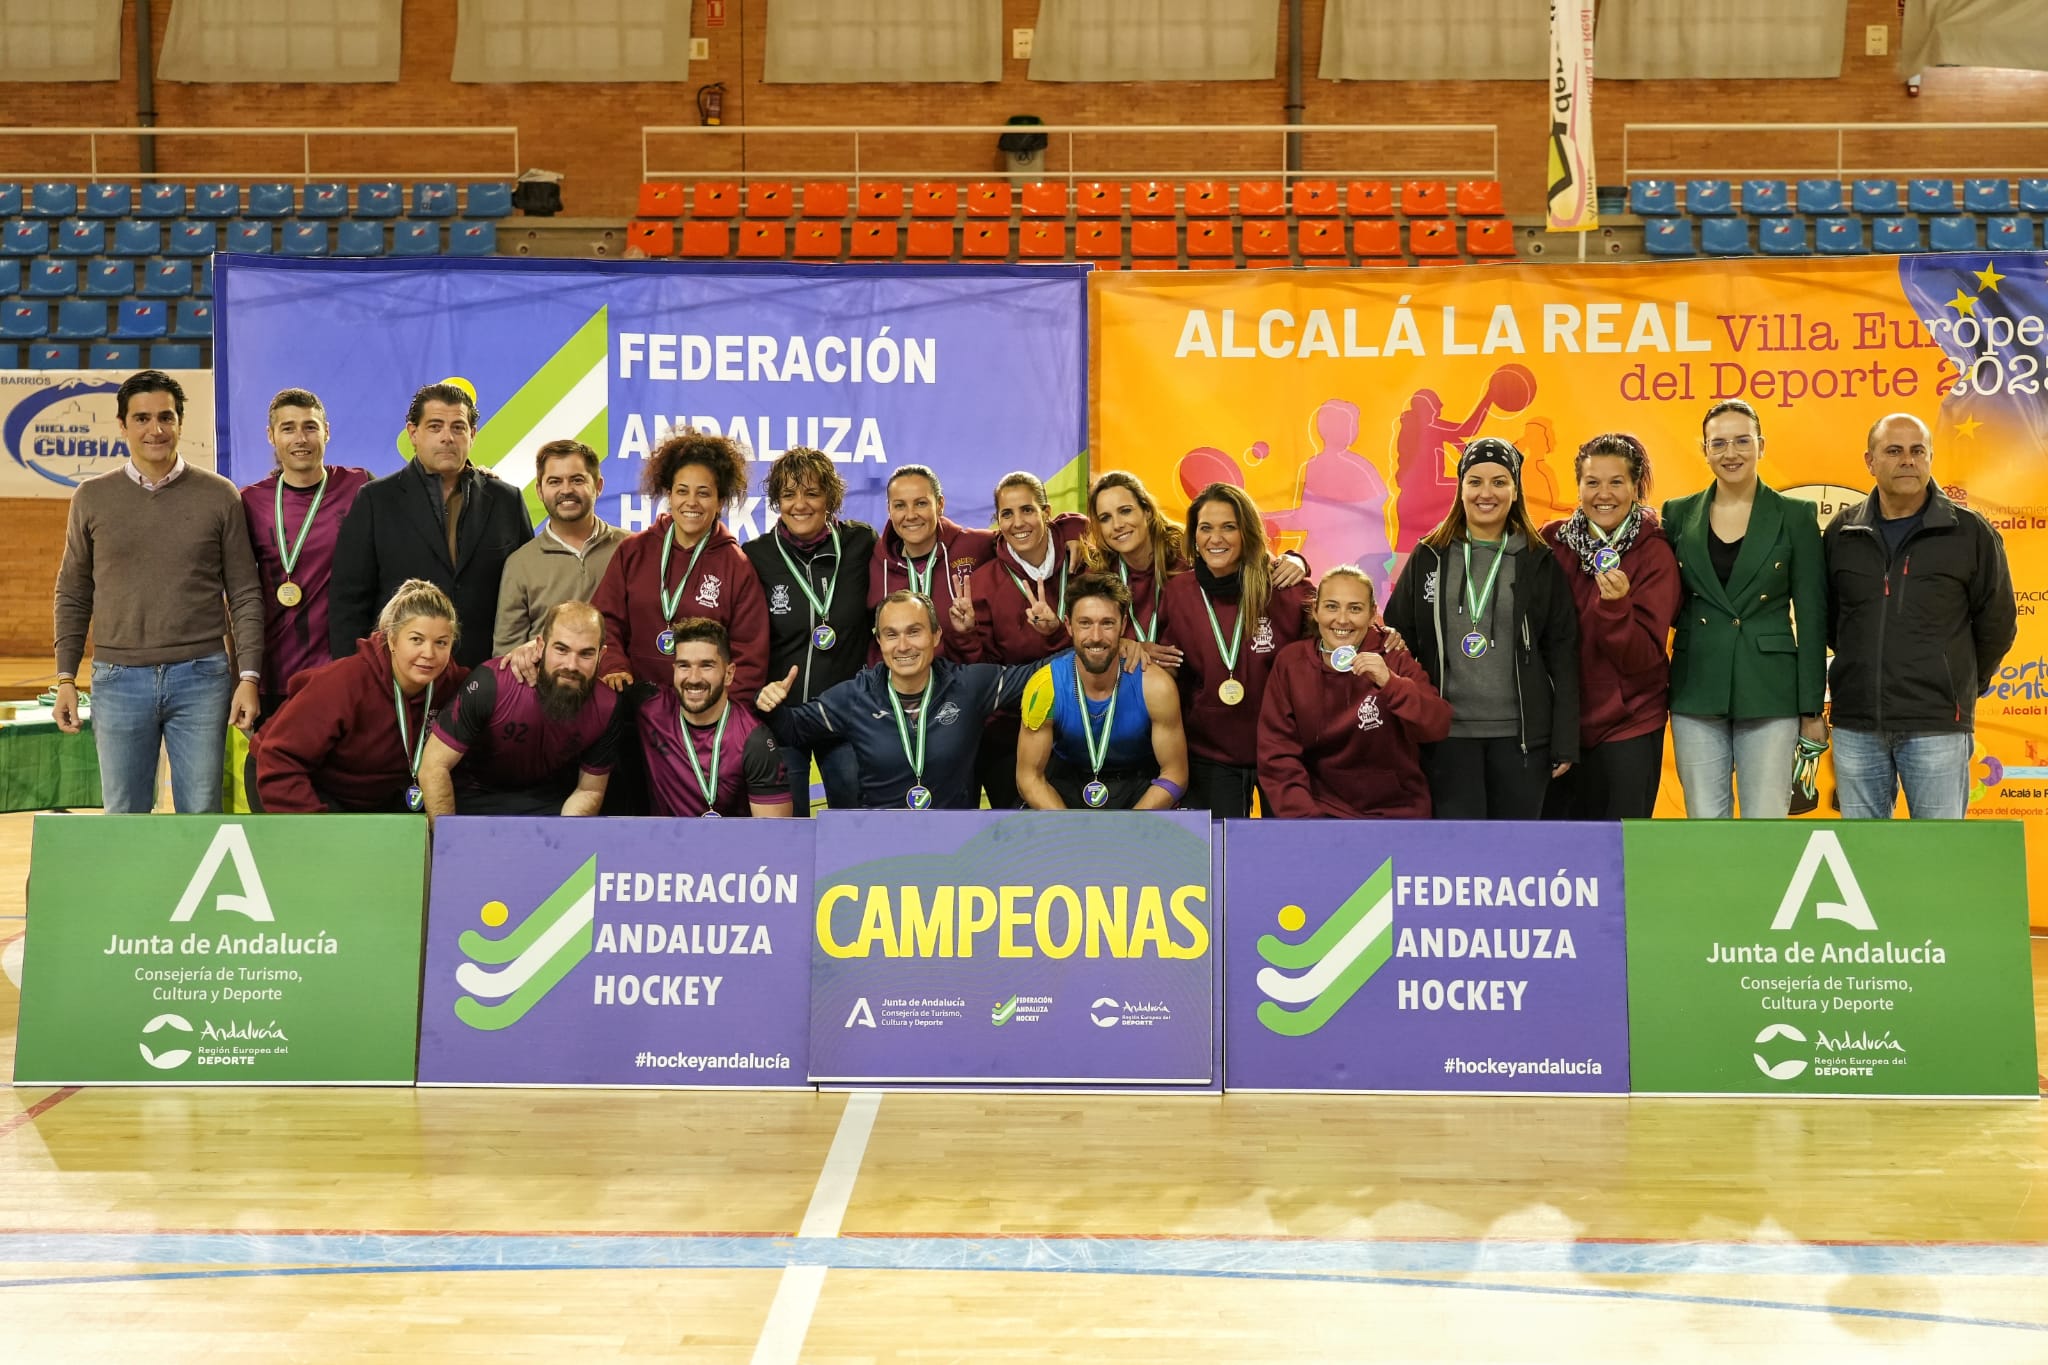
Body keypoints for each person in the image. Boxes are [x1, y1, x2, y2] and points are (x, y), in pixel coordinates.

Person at [53, 369, 265, 813]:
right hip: (116, 679)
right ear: (123, 425)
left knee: (201, 813)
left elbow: (245, 592)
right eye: (143, 418)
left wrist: (248, 676)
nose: (156, 429)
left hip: (203, 678)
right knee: (124, 815)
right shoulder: (91, 497)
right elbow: (73, 592)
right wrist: (66, 678)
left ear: (181, 423)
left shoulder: (220, 495)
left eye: (166, 417)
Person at [1824, 412, 2016, 818]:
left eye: (1917, 451)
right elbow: (1831, 620)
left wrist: (1961, 682)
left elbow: (1997, 622)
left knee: (1940, 859)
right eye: (1893, 451)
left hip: (1937, 724)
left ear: (1930, 458)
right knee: (1861, 858)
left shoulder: (1970, 532)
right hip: (1856, 724)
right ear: (1869, 461)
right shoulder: (1841, 532)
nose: (1907, 460)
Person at [1383, 438, 1578, 820]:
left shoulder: (1539, 562)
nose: (1486, 493)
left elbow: (1563, 652)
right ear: (1460, 488)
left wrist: (1565, 740)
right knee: (1459, 860)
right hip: (1445, 737)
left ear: (1516, 489)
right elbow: (1396, 636)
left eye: (1499, 482)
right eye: (1475, 482)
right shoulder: (1430, 555)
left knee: (1515, 856)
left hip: (1521, 741)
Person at [1661, 400, 1827, 819]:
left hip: (1771, 690)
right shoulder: (1677, 514)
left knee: (1766, 822)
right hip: (1696, 685)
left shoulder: (1796, 515)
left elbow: (1811, 618)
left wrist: (1811, 709)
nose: (1730, 453)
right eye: (1719, 443)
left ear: (1761, 445)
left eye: (1741, 441)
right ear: (1704, 450)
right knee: (1703, 820)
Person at [761, 590, 1040, 810]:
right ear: (879, 642)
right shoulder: (856, 696)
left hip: (956, 846)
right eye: (891, 635)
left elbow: (1042, 675)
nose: (903, 646)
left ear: (936, 635)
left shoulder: (969, 686)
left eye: (914, 632)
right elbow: (792, 729)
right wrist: (770, 705)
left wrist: (1069, 637)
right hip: (882, 847)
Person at [328, 382, 533, 669]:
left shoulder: (506, 501)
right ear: (414, 433)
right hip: (399, 678)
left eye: (458, 428)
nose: (447, 437)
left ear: (472, 434)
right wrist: (352, 675)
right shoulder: (376, 500)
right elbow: (348, 602)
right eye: (435, 427)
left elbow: (529, 593)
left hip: (488, 674)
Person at [1541, 433, 1682, 819]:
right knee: (1560, 858)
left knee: (1620, 853)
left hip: (1629, 724)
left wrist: (1617, 608)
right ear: (1579, 487)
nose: (1604, 494)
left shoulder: (1655, 553)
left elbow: (1643, 659)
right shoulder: (1552, 542)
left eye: (1616, 482)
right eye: (1593, 482)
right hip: (1562, 726)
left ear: (1635, 487)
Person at [1156, 482, 1314, 816]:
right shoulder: (1178, 592)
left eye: (1229, 527)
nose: (1216, 539)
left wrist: (1384, 636)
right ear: (1194, 538)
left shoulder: (1282, 586)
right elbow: (1170, 665)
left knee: (1288, 858)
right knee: (1216, 861)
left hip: (1280, 752)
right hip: (1209, 755)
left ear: (1247, 533)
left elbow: (1337, 626)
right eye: (1205, 528)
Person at [250, 579, 469, 813]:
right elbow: (279, 757)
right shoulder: (343, 684)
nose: (429, 653)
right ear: (392, 640)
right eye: (416, 639)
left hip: (374, 798)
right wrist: (320, 831)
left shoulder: (456, 685)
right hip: (287, 776)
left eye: (441, 643)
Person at [944, 471, 1093, 807]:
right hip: (1016, 731)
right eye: (1006, 514)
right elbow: (987, 674)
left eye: (1027, 510)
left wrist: (1057, 632)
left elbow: (1101, 647)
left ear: (1047, 512)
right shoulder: (984, 582)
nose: (1017, 522)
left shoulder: (1083, 559)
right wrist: (966, 635)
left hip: (1087, 724)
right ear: (997, 521)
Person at [742, 446, 878, 813]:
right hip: (783, 714)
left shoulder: (860, 544)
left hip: (846, 713)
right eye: (788, 494)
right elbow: (744, 636)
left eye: (812, 493)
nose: (799, 504)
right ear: (776, 501)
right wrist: (758, 693)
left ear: (830, 499)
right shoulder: (756, 556)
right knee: (789, 829)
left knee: (855, 820)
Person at [1258, 565, 1451, 819]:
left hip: (1397, 814)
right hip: (1321, 814)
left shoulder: (1392, 656)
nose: (1342, 619)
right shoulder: (1291, 663)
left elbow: (1437, 725)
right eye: (1331, 606)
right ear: (1315, 611)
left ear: (1373, 614)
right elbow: (1277, 754)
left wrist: (1390, 683)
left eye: (1355, 608)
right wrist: (1307, 822)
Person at [591, 429, 768, 704]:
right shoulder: (633, 550)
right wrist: (613, 664)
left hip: (701, 715)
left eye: (704, 493)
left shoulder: (737, 565)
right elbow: (604, 621)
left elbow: (749, 656)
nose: (691, 502)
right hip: (632, 705)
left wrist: (719, 712)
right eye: (682, 491)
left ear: (720, 501)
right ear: (669, 495)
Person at [239, 387, 373, 719]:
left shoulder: (359, 486)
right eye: (288, 428)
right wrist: (244, 677)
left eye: (310, 427)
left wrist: (471, 475)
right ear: (271, 436)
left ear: (326, 431)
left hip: (343, 672)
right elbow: (238, 594)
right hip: (276, 676)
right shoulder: (249, 502)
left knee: (344, 771)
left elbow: (410, 499)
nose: (301, 438)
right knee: (273, 769)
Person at [416, 601, 619, 817]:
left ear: (601, 655)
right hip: (474, 799)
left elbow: (588, 789)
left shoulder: (608, 706)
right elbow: (433, 767)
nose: (571, 665)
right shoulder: (491, 683)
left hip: (550, 805)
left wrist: (562, 842)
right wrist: (451, 843)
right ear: (540, 646)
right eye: (561, 649)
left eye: (586, 654)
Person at [1015, 572, 1189, 811]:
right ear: (1068, 626)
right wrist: (1070, 828)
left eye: (1107, 623)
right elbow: (1029, 778)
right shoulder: (1044, 686)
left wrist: (1127, 827)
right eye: (1085, 623)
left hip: (1139, 788)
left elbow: (1175, 774)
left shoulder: (1155, 686)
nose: (1095, 637)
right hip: (1067, 787)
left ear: (1123, 625)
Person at [638, 617, 793, 819]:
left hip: (732, 849)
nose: (693, 678)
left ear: (729, 674)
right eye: (684, 666)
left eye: (706, 666)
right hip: (666, 847)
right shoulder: (650, 711)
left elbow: (776, 835)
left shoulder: (754, 740)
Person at [492, 438, 624, 656]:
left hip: (617, 682)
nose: (566, 490)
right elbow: (506, 655)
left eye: (577, 480)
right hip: (544, 687)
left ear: (598, 486)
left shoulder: (630, 548)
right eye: (554, 481)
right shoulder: (520, 564)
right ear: (539, 490)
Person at [869, 463, 993, 660]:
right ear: (889, 510)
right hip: (901, 684)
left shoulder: (977, 545)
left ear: (940, 504)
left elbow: (1023, 535)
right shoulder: (875, 560)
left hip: (962, 680)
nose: (910, 515)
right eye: (900, 505)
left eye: (921, 503)